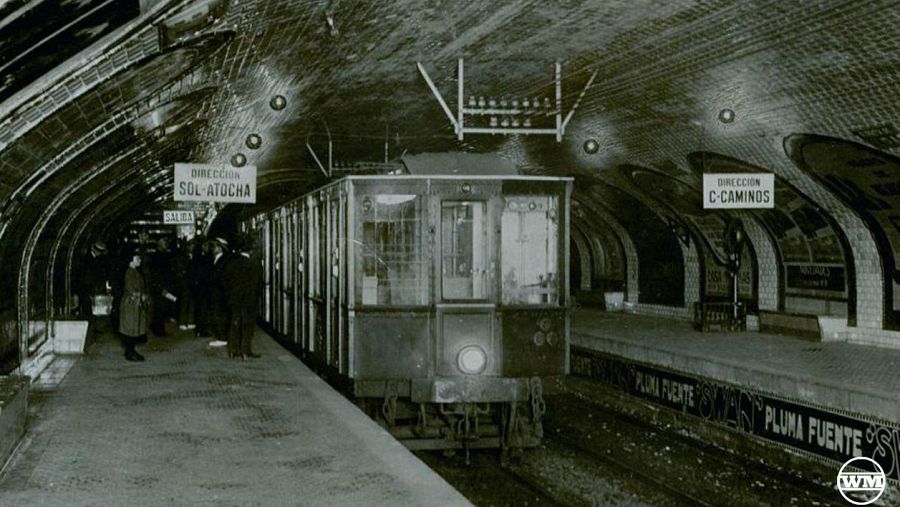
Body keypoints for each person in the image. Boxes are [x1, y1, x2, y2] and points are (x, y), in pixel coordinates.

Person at [224, 234, 263, 359]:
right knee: (247, 325)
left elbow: (225, 281)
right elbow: (257, 283)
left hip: (234, 299)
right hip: (249, 300)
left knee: (235, 323)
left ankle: (233, 350)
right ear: (250, 250)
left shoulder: (231, 263)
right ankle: (245, 351)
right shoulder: (253, 264)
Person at [118, 253, 149, 361]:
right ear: (131, 260)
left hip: (134, 304)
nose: (140, 260)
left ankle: (131, 351)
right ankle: (130, 353)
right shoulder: (129, 272)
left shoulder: (134, 271)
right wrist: (141, 295)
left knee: (134, 328)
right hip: (130, 304)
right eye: (137, 258)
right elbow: (130, 288)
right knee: (130, 329)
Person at [208, 237, 231, 348]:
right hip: (216, 292)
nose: (212, 248)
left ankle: (222, 338)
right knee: (217, 313)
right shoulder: (216, 259)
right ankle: (221, 336)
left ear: (221, 248)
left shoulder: (223, 260)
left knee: (220, 314)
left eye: (214, 246)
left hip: (220, 292)